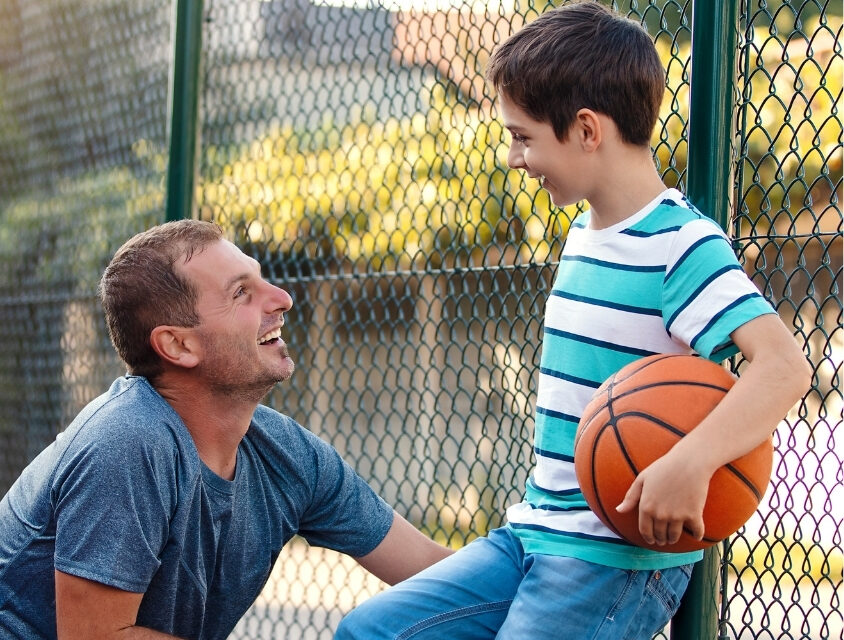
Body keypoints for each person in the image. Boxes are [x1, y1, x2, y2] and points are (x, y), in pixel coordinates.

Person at [335, 2, 811, 639]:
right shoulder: (584, 234)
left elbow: (784, 368)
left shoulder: (680, 245)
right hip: (533, 531)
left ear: (587, 130)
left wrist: (690, 461)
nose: (513, 157)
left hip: (611, 558)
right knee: (369, 632)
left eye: (523, 136)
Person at [0, 219, 452, 639]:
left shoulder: (288, 455)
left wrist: (522, 558)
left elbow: (432, 570)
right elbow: (95, 638)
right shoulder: (127, 441)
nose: (281, 298)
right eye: (241, 293)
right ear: (178, 344)